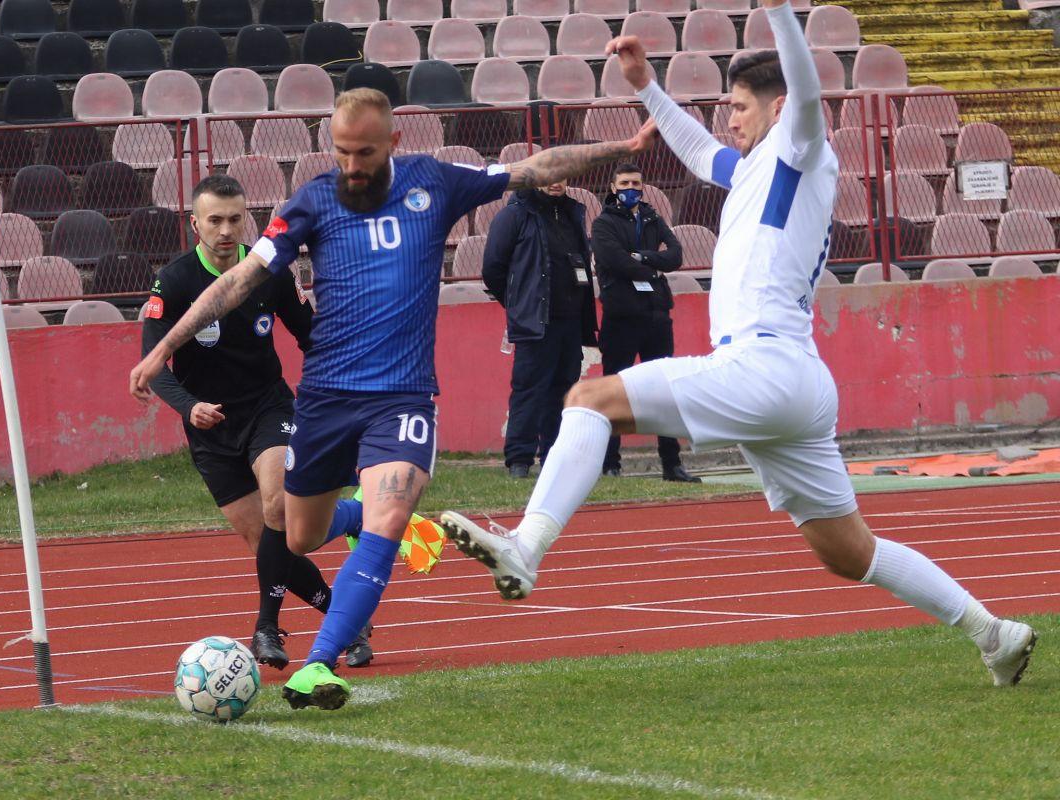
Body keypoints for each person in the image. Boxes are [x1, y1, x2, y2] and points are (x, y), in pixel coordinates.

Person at [440, 0, 1036, 688]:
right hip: (794, 383)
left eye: (740, 105)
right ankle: (993, 633)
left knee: (589, 396)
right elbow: (698, 152)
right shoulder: (759, 168)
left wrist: (781, 13)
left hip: (765, 365)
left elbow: (806, 91)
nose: (730, 117)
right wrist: (646, 87)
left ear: (777, 109)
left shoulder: (802, 145)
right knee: (850, 553)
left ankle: (526, 548)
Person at [129, 88, 659, 710]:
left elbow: (533, 170)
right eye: (342, 151)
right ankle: (354, 521)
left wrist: (618, 148)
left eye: (365, 152)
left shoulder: (434, 183)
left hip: (403, 395)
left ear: (393, 144)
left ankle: (318, 664)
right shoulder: (313, 202)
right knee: (299, 535)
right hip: (326, 398)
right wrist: (164, 346)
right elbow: (242, 278)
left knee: (390, 515)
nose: (352, 165)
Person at [141, 175, 376, 671]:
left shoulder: (270, 271)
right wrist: (189, 407)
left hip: (270, 409)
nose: (226, 230)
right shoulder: (176, 280)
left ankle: (266, 627)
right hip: (210, 428)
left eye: (235, 219)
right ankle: (348, 620)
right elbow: (154, 363)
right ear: (194, 223)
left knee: (277, 508)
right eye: (215, 220)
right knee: (269, 545)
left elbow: (310, 335)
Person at [482, 178, 598, 479]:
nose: (557, 182)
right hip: (537, 321)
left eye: (564, 176)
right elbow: (492, 267)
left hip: (571, 320)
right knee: (529, 390)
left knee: (564, 390)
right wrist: (520, 303)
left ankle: (555, 456)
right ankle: (519, 460)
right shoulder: (515, 214)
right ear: (537, 177)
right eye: (551, 176)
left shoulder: (572, 212)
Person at [592, 162, 698, 483]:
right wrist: (651, 264)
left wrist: (642, 257)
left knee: (664, 393)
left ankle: (671, 464)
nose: (631, 188)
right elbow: (614, 261)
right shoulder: (603, 224)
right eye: (624, 183)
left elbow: (676, 254)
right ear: (613, 187)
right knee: (615, 391)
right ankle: (610, 463)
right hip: (621, 318)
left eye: (636, 183)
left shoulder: (652, 217)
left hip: (656, 315)